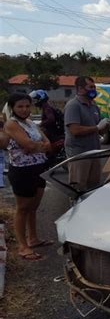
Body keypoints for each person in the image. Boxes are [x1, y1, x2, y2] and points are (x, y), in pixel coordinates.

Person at [4, 93, 52, 260]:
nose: (24, 110)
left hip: (39, 167)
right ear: (12, 108)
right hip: (22, 170)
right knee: (22, 208)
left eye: (27, 106)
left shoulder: (31, 123)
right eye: (20, 106)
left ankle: (33, 238)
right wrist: (34, 146)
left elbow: (48, 144)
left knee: (33, 208)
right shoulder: (12, 124)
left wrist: (34, 147)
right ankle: (22, 246)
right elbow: (29, 144)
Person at [64, 76, 110, 192]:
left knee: (93, 187)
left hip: (94, 152)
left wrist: (108, 124)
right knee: (79, 188)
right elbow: (75, 130)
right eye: (90, 87)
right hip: (79, 154)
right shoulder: (73, 105)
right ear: (80, 89)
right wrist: (97, 127)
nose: (93, 90)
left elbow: (99, 130)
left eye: (94, 87)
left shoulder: (94, 105)